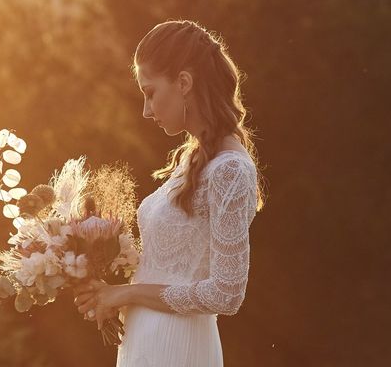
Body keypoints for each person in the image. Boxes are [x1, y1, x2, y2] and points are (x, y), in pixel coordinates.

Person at [73, 19, 265, 366]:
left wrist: (127, 293)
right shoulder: (192, 159)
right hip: (145, 342)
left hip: (179, 347)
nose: (146, 111)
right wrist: (104, 286)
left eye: (150, 92)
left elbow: (227, 292)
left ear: (184, 82)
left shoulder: (230, 170)